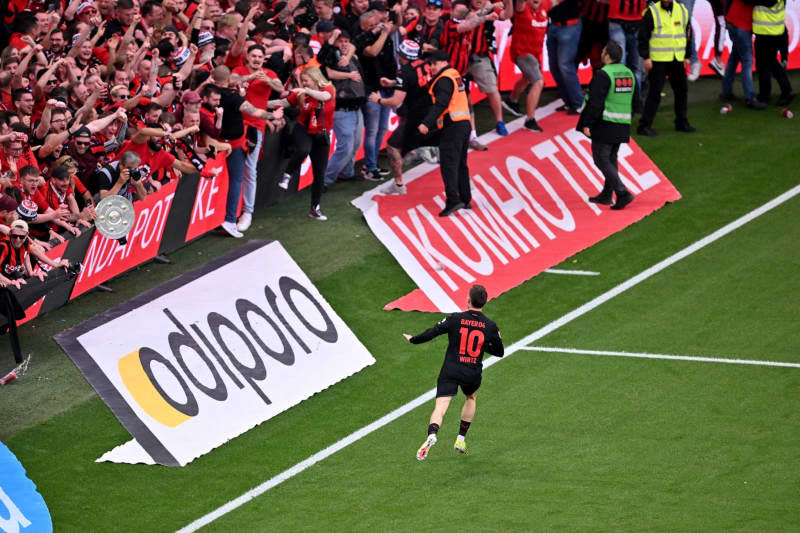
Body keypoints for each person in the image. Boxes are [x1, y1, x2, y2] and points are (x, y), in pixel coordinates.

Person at [403, 284, 504, 460]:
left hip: (450, 369)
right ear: (485, 302)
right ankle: (460, 438)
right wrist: (482, 345)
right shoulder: (490, 326)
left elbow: (432, 333)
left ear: (468, 300)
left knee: (441, 406)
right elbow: (499, 351)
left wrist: (413, 340)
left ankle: (432, 434)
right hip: (471, 371)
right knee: (471, 398)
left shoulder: (455, 319)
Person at [368, 39, 432, 195]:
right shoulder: (424, 64)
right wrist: (393, 83)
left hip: (416, 115)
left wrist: (379, 100)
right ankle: (418, 149)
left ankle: (398, 185)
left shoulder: (404, 72)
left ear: (402, 56)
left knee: (392, 146)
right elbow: (414, 80)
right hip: (430, 111)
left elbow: (396, 101)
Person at [271, 67, 336, 221]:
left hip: (322, 133)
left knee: (320, 173)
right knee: (303, 149)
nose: (304, 83)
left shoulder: (328, 88)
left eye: (306, 80)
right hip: (304, 129)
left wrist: (306, 91)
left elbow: (325, 96)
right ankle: (287, 175)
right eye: (303, 81)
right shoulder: (301, 93)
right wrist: (258, 105)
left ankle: (315, 207)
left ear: (315, 79)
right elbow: (283, 102)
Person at [578, 41, 635, 210]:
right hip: (622, 122)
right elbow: (635, 97)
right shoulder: (628, 73)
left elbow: (595, 102)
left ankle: (622, 192)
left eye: (603, 52)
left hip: (606, 122)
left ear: (608, 55)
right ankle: (607, 194)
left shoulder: (604, 74)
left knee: (601, 158)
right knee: (611, 158)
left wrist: (587, 123)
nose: (601, 54)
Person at [418, 49, 472, 217]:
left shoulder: (443, 80)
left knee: (449, 164)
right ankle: (465, 198)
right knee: (461, 163)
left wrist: (426, 123)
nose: (431, 68)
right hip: (463, 124)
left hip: (453, 127)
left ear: (442, 62)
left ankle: (453, 200)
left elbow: (441, 104)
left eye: (433, 64)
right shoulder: (454, 75)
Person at [636, 0, 696, 136]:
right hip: (658, 59)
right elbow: (643, 36)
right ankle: (644, 126)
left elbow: (687, 33)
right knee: (654, 93)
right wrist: (646, 57)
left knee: (682, 91)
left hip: (677, 58)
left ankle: (681, 122)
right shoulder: (652, 11)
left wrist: (687, 55)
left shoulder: (682, 10)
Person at [502, 0, 549, 131]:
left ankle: (512, 100)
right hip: (522, 52)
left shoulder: (546, 5)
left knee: (527, 78)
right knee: (538, 82)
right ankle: (530, 119)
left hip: (535, 53)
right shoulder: (522, 7)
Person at [720, 0, 767, 110]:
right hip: (741, 24)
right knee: (747, 61)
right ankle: (750, 98)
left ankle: (726, 92)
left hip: (734, 20)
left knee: (735, 57)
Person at [753, 0, 793, 106]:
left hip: (767, 32)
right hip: (773, 31)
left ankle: (764, 97)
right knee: (771, 63)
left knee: (763, 66)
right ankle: (785, 90)